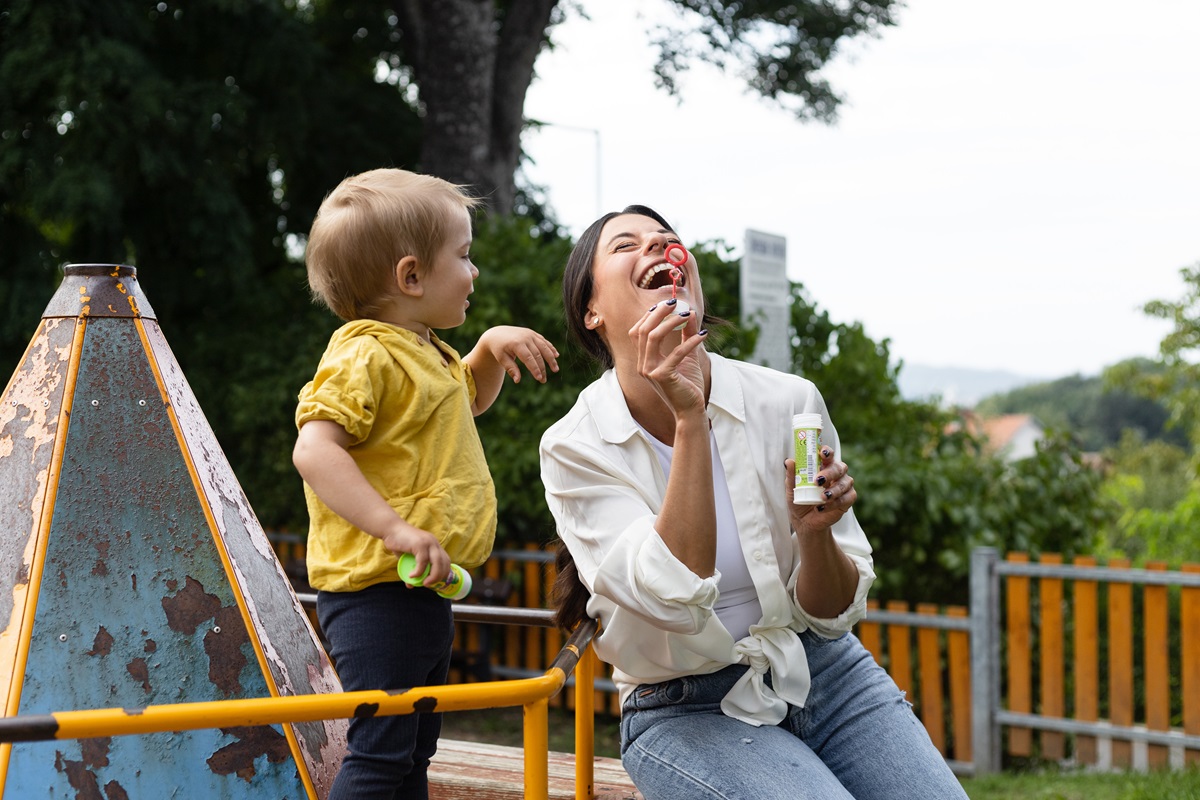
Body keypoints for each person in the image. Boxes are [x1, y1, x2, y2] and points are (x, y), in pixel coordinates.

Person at [540, 205, 967, 800]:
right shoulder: (575, 445)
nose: (658, 248)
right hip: (683, 707)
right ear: (592, 311)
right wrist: (690, 416)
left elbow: (831, 612)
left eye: (667, 240)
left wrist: (816, 534)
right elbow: (673, 591)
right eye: (625, 245)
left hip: (824, 670)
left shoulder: (789, 401)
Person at [292, 168, 559, 800]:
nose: (474, 272)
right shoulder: (365, 354)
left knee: (414, 751)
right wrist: (394, 528)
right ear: (411, 276)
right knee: (381, 752)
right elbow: (315, 449)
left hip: (419, 590)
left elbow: (469, 402)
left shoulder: (427, 351)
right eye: (463, 256)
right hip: (375, 592)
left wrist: (488, 351)